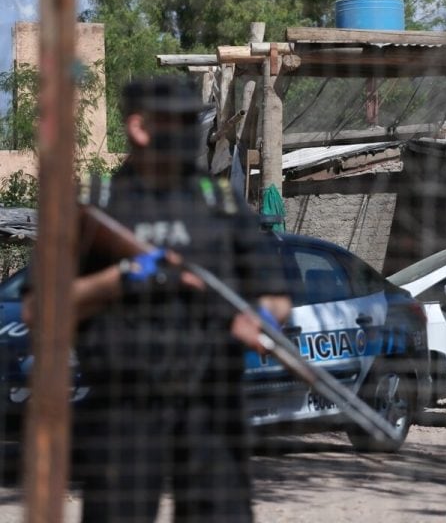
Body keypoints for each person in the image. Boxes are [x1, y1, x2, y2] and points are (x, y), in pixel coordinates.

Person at [26, 76, 292, 522]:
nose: (189, 133)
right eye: (178, 122)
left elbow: (275, 294)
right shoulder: (96, 207)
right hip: (124, 406)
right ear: (140, 128)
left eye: (192, 122)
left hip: (211, 403)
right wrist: (124, 277)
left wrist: (261, 318)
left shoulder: (220, 202)